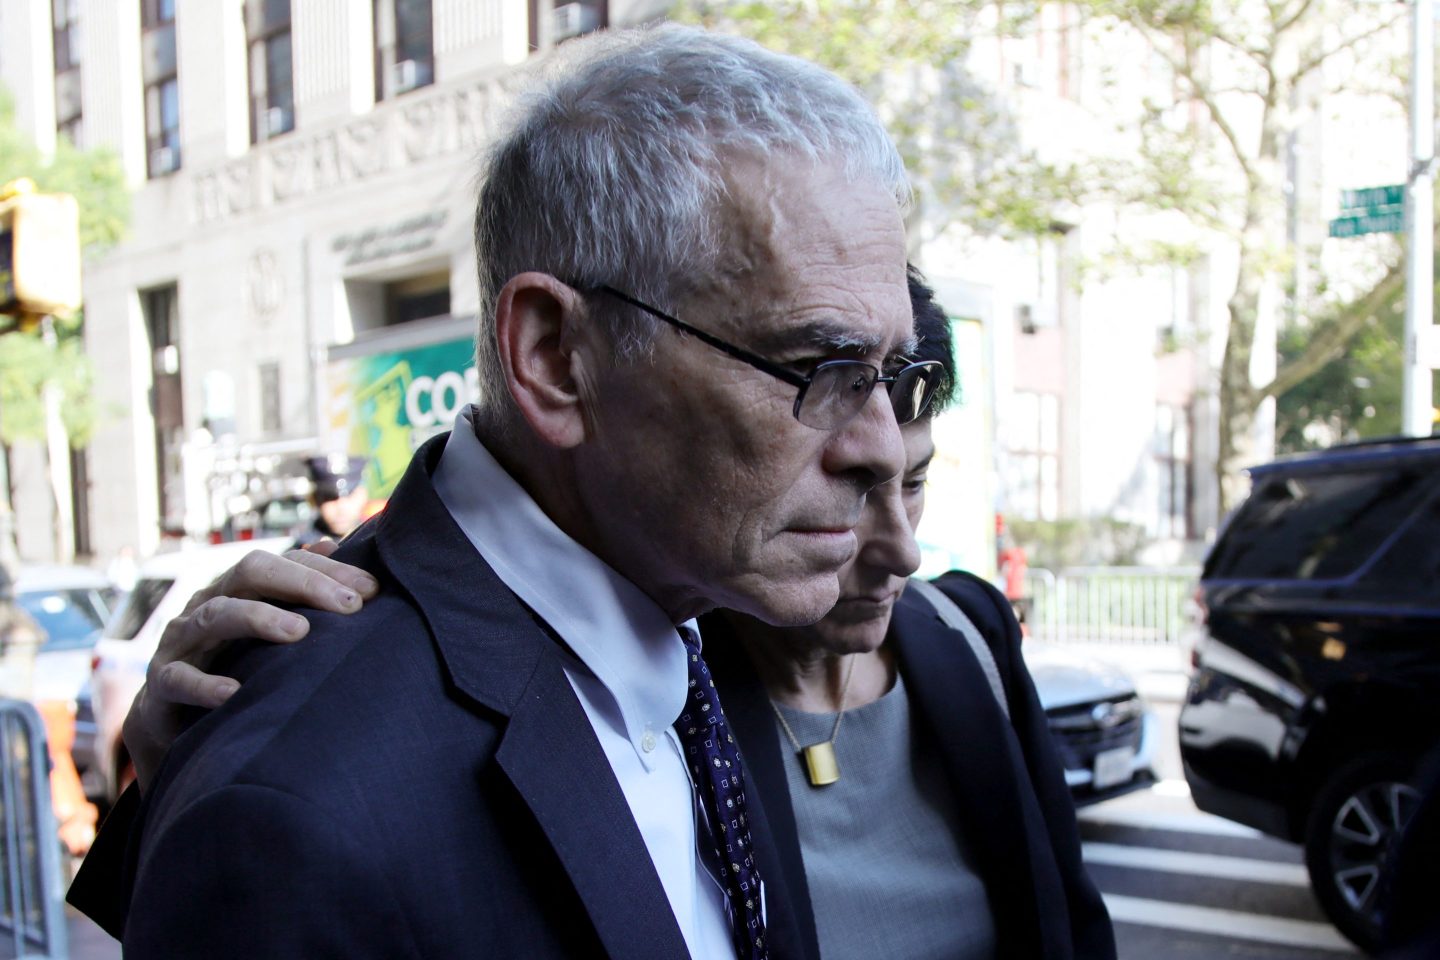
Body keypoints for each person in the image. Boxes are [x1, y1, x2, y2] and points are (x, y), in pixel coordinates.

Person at [73, 24, 937, 960]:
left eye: (891, 373)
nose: (880, 448)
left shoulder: (709, 618)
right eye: (818, 368)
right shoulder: (298, 801)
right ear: (555, 357)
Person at [92, 270, 1114, 959]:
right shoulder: (649, 673)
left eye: (914, 483)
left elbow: (1069, 920)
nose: (893, 545)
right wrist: (178, 776)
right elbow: (300, 872)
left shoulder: (967, 638)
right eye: (847, 477)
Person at [293, 453, 370, 547]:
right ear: (315, 500)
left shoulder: (379, 540)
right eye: (329, 497)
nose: (341, 508)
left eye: (350, 496)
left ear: (363, 495)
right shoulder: (302, 550)